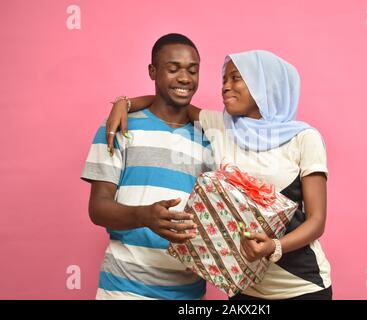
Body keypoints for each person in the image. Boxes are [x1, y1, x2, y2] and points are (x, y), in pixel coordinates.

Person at [108, 50, 332, 300]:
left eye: (236, 78)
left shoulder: (304, 138)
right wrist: (125, 104)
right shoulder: (221, 126)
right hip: (244, 288)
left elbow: (317, 220)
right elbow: (171, 102)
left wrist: (274, 247)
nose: (226, 87)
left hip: (300, 286)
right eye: (224, 80)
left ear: (264, 84)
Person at [81, 33, 214, 300]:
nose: (185, 78)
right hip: (123, 290)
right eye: (173, 68)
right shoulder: (117, 128)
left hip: (190, 293)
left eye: (192, 70)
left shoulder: (211, 137)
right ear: (153, 71)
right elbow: (98, 208)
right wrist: (145, 216)